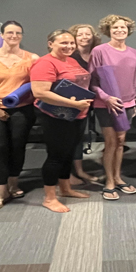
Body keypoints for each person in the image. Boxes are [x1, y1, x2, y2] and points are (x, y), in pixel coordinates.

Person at [0, 21, 39, 210]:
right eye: (9, 32)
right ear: (2, 35)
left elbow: (37, 84)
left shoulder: (32, 58)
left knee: (17, 147)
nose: (14, 36)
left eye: (18, 33)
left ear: (22, 36)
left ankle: (14, 183)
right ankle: (0, 192)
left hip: (22, 109)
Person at [31, 30, 94, 212]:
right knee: (56, 157)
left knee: (68, 154)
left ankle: (65, 189)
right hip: (56, 118)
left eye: (71, 43)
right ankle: (50, 198)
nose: (69, 46)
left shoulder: (71, 60)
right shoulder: (45, 63)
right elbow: (40, 93)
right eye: (63, 43)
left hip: (76, 116)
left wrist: (79, 106)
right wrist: (74, 104)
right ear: (50, 44)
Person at [89, 14, 136, 201]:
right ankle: (109, 181)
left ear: (129, 30)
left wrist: (133, 104)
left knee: (120, 142)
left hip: (127, 104)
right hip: (105, 104)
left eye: (123, 28)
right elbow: (92, 81)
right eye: (115, 28)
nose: (120, 30)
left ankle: (118, 177)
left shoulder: (134, 52)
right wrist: (106, 97)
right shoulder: (99, 51)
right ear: (108, 30)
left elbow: (131, 80)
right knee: (110, 143)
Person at [68, 23, 102, 184]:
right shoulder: (69, 56)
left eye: (87, 34)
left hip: (93, 101)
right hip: (71, 103)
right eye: (80, 34)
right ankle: (67, 173)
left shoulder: (97, 54)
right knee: (70, 137)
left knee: (80, 136)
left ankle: (80, 170)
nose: (84, 37)